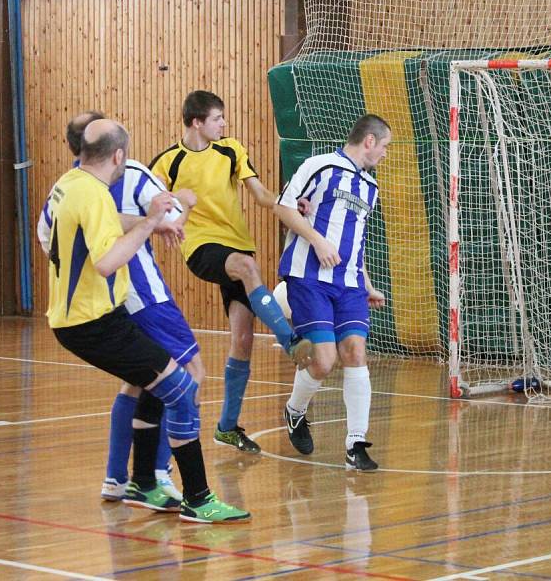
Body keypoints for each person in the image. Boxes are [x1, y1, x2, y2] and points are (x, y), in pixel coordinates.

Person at [46, 118, 249, 522]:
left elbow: (80, 229)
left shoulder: (69, 185)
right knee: (180, 387)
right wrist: (153, 221)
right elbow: (106, 262)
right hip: (94, 321)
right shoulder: (97, 195)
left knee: (158, 385)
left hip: (91, 316)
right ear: (118, 156)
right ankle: (197, 498)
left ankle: (139, 482)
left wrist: (146, 222)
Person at [150, 91, 313, 454]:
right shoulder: (167, 162)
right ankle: (289, 340)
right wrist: (171, 216)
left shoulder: (231, 150)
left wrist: (290, 203)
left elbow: (260, 195)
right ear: (197, 122)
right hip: (201, 248)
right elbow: (152, 206)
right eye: (217, 118)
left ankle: (227, 427)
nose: (224, 124)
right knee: (248, 267)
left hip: (237, 243)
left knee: (242, 341)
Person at [274, 114, 390, 470]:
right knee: (324, 361)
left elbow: (357, 242)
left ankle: (357, 444)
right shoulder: (320, 166)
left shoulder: (370, 188)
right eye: (384, 146)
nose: (385, 154)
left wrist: (367, 282)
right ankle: (295, 411)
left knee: (356, 352)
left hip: (350, 283)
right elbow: (283, 207)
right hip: (309, 276)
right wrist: (317, 240)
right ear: (368, 141)